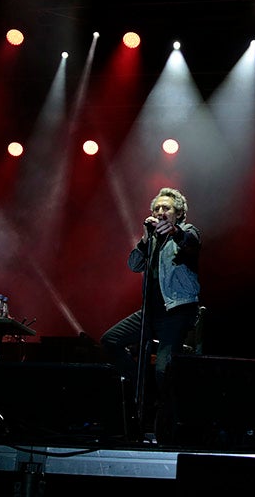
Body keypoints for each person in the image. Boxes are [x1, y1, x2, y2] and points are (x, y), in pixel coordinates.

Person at [100, 187, 201, 440]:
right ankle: (140, 381)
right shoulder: (153, 240)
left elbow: (191, 244)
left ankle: (165, 433)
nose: (159, 212)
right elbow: (134, 265)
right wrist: (145, 240)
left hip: (177, 310)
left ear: (178, 213)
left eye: (166, 208)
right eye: (156, 208)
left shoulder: (187, 231)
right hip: (150, 313)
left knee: (163, 372)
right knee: (110, 340)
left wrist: (175, 232)